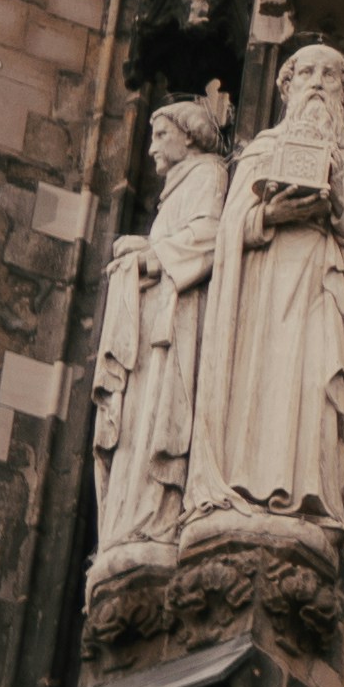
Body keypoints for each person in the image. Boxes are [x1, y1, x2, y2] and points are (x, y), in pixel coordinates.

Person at [182, 42, 344, 547]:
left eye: (329, 76)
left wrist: (338, 200)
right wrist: (270, 215)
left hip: (321, 290)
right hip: (262, 293)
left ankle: (306, 497)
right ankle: (243, 489)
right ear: (287, 88)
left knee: (311, 382)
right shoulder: (260, 151)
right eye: (306, 74)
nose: (317, 83)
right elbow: (228, 233)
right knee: (259, 383)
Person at [90, 88, 234, 563]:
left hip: (176, 320)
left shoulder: (209, 173)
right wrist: (142, 251)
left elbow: (210, 236)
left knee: (159, 413)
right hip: (154, 317)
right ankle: (129, 519)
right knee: (139, 416)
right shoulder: (179, 184)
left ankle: (155, 518)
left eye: (160, 135)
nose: (151, 147)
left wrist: (149, 258)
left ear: (188, 137)